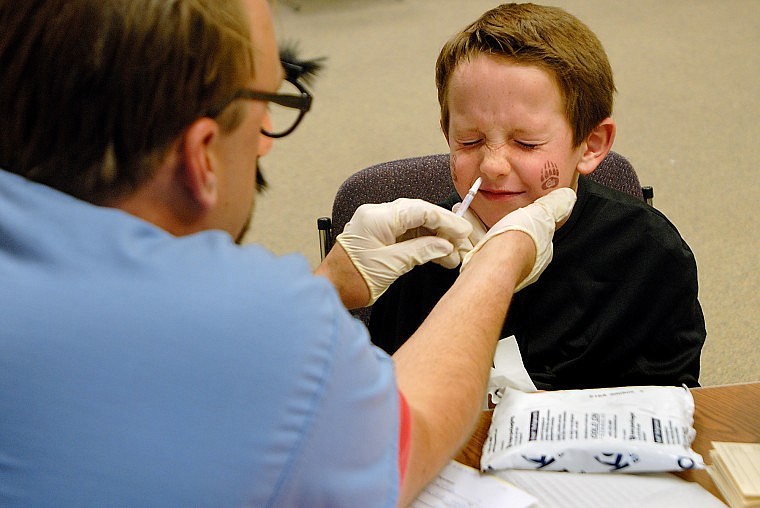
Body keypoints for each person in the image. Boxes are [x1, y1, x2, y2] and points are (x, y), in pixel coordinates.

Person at [0, 0, 576, 506]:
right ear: (203, 154)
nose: (267, 137)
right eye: (265, 106)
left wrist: (329, 281)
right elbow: (412, 438)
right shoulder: (264, 327)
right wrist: (503, 256)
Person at [369, 3, 707, 390]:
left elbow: (670, 398)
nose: (493, 165)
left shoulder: (647, 253)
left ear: (591, 144)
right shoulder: (418, 257)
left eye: (526, 143)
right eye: (469, 141)